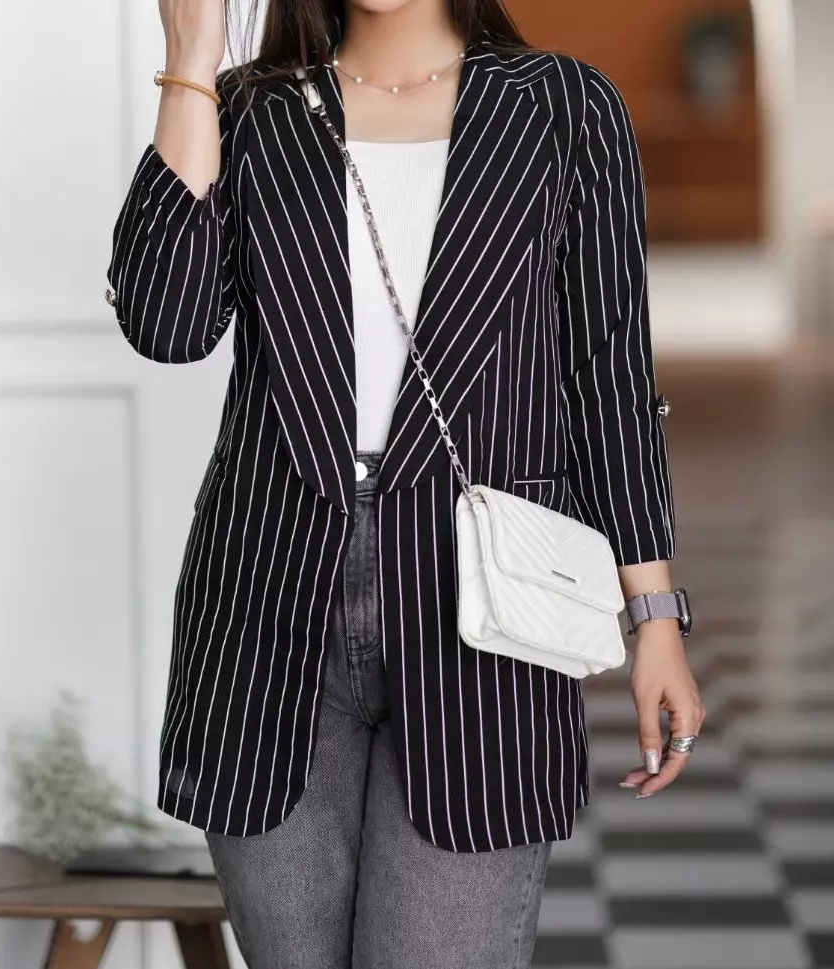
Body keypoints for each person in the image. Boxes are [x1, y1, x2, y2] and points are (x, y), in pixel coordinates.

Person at [104, 1, 706, 966]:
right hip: (265, 602)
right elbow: (167, 325)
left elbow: (608, 379)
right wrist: (191, 61)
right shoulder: (253, 109)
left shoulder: (562, 106)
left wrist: (655, 616)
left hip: (483, 610)